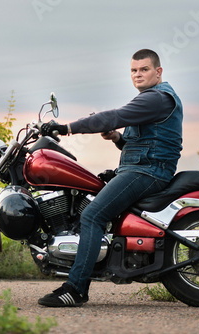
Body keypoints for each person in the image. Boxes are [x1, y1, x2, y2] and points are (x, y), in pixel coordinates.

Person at [38, 49, 183, 307]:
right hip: (143, 167)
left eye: (144, 69)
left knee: (93, 215)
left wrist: (66, 128)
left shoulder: (157, 98)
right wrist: (117, 138)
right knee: (89, 202)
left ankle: (76, 288)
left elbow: (113, 116)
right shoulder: (151, 99)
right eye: (133, 70)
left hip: (149, 171)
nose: (138, 74)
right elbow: (141, 142)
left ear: (158, 72)